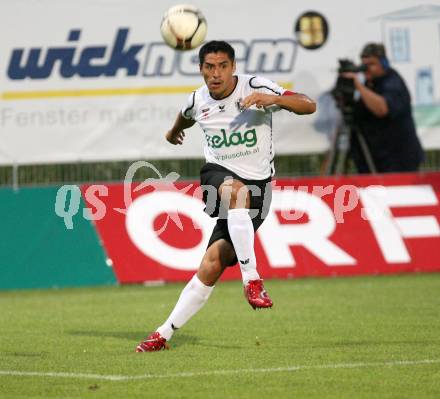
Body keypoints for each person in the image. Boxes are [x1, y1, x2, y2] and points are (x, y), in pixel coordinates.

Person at [136, 40, 316, 352]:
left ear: (233, 67)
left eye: (222, 66)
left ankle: (163, 334)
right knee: (236, 193)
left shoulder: (255, 86)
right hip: (217, 174)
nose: (216, 74)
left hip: (260, 188)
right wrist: (172, 131)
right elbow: (186, 115)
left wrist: (272, 98)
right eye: (209, 67)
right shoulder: (198, 98)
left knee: (212, 263)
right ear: (201, 69)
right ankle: (252, 280)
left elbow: (308, 104)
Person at [342, 43, 424, 173]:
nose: (366, 69)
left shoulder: (393, 82)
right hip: (375, 160)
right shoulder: (369, 85)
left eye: (371, 64)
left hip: (398, 161)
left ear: (384, 63)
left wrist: (358, 86)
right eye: (364, 65)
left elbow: (382, 109)